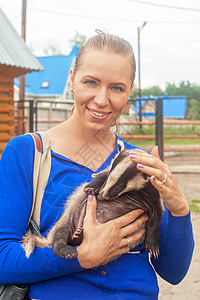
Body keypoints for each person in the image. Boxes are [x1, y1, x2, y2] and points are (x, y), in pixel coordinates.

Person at [0, 31, 194, 300]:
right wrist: (81, 257)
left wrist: (180, 210)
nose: (102, 99)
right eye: (91, 82)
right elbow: (3, 258)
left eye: (117, 88)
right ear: (72, 79)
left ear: (130, 92)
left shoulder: (137, 163)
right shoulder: (26, 154)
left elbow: (173, 272)